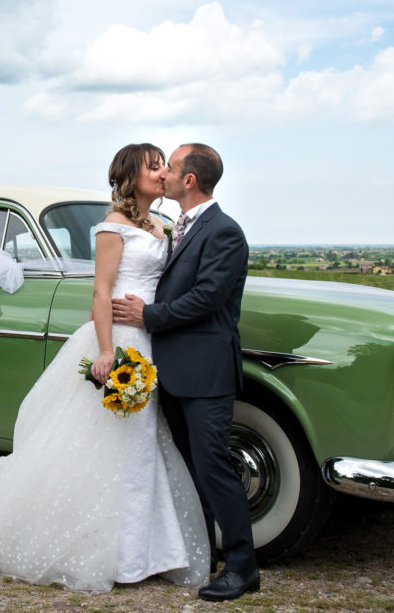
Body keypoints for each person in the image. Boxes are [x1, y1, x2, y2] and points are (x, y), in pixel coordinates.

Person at [0, 144, 210, 593]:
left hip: (153, 337)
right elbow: (102, 293)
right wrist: (105, 351)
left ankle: (145, 550)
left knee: (143, 443)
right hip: (121, 340)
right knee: (114, 441)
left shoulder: (162, 225)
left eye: (165, 164)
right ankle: (112, 550)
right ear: (130, 176)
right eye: (153, 165)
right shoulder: (111, 227)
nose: (162, 172)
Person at [111, 143, 259, 602]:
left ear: (189, 180)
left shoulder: (224, 232)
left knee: (215, 467)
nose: (164, 174)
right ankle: (205, 557)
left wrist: (148, 316)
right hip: (170, 371)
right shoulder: (176, 227)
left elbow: (208, 297)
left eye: (170, 167)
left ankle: (243, 568)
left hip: (206, 372)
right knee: (191, 469)